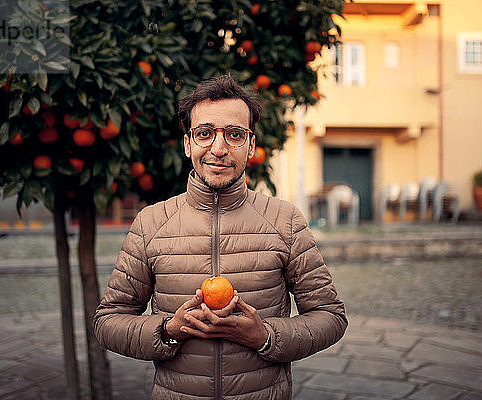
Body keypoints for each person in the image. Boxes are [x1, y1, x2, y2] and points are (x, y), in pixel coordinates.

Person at [94, 74, 347, 399]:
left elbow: (331, 317)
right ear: (188, 144)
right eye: (204, 133)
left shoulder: (285, 221)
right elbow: (108, 322)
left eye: (234, 134)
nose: (218, 148)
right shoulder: (150, 223)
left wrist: (265, 337)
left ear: (251, 145)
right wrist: (169, 330)